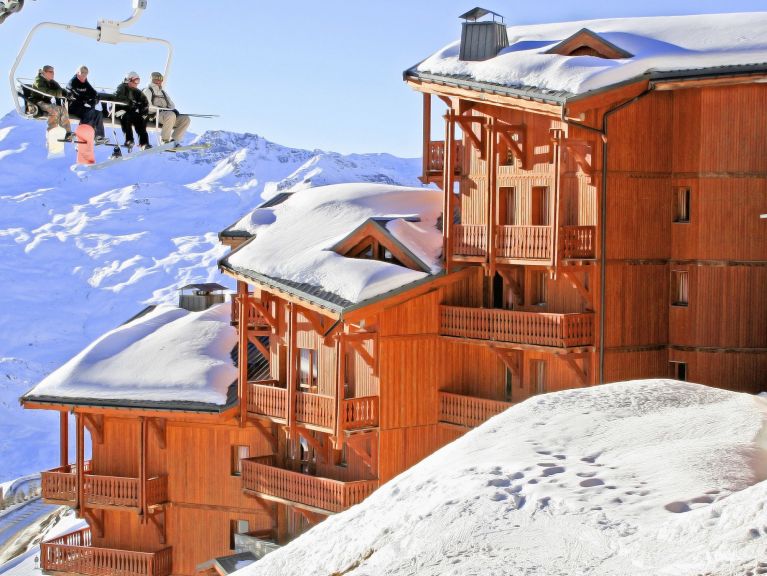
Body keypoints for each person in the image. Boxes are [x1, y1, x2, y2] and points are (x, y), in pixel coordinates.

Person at [142, 72, 190, 144]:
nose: (159, 81)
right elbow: (147, 107)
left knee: (185, 119)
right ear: (152, 80)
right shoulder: (147, 90)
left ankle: (174, 141)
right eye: (156, 79)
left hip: (166, 115)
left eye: (161, 79)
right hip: (154, 116)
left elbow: (171, 105)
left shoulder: (163, 92)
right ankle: (164, 140)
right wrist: (161, 109)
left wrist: (173, 110)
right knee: (170, 115)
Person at [66, 65, 108, 145]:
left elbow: (92, 92)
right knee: (89, 111)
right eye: (82, 73)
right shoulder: (73, 81)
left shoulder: (85, 82)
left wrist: (96, 97)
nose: (84, 75)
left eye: (86, 73)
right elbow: (71, 91)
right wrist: (85, 100)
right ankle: (82, 134)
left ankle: (99, 136)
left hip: (82, 106)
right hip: (73, 106)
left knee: (98, 113)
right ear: (78, 73)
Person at [29, 65, 73, 139]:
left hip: (46, 103)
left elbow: (60, 89)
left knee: (63, 109)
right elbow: (45, 91)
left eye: (53, 72)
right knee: (55, 109)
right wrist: (60, 93)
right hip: (36, 102)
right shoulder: (39, 80)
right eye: (51, 71)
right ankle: (52, 131)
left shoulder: (51, 82)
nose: (53, 73)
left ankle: (68, 133)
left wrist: (67, 93)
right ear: (44, 72)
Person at [114, 71, 151, 150]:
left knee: (141, 120)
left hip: (131, 112)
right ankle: (129, 140)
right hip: (120, 110)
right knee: (126, 118)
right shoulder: (122, 87)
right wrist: (131, 103)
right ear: (129, 80)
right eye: (136, 81)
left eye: (138, 81)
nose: (137, 83)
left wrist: (143, 111)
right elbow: (118, 97)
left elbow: (145, 102)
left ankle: (144, 143)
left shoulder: (137, 91)